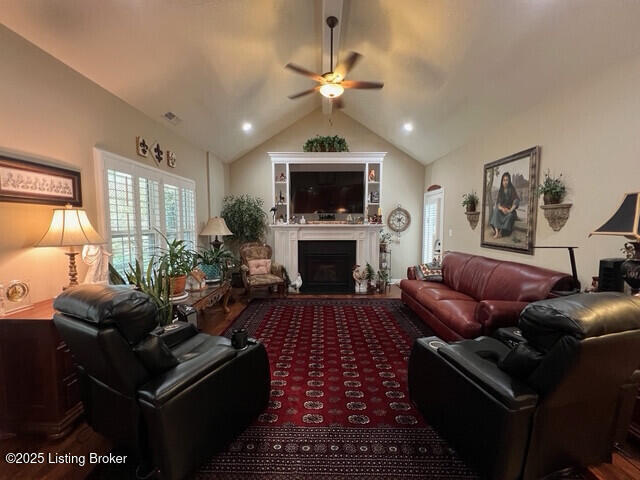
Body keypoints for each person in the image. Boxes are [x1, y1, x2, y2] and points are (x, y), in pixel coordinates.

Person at [489, 172, 520, 239]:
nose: (505, 182)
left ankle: (502, 233)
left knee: (510, 216)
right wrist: (502, 209)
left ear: (509, 181)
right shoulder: (501, 190)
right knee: (496, 211)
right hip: (502, 210)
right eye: (504, 180)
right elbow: (498, 203)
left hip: (510, 210)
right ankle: (497, 232)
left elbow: (516, 200)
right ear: (502, 181)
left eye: (507, 180)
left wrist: (510, 210)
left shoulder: (512, 189)